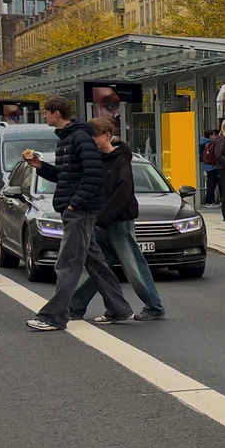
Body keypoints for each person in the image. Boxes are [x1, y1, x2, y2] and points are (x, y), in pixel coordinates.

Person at [22, 95, 130, 332]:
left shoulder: (79, 138)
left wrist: (75, 204)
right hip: (77, 208)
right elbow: (66, 175)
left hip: (80, 210)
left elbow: (93, 176)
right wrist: (41, 167)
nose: (45, 116)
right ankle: (119, 308)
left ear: (57, 114)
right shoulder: (68, 139)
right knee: (95, 262)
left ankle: (54, 317)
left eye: (46, 112)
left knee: (68, 263)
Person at [69, 116, 165, 321]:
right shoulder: (94, 161)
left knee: (134, 268)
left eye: (93, 136)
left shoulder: (121, 160)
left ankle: (155, 307)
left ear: (107, 136)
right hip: (99, 224)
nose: (91, 140)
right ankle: (75, 308)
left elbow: (124, 192)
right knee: (97, 270)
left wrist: (103, 219)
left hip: (118, 223)